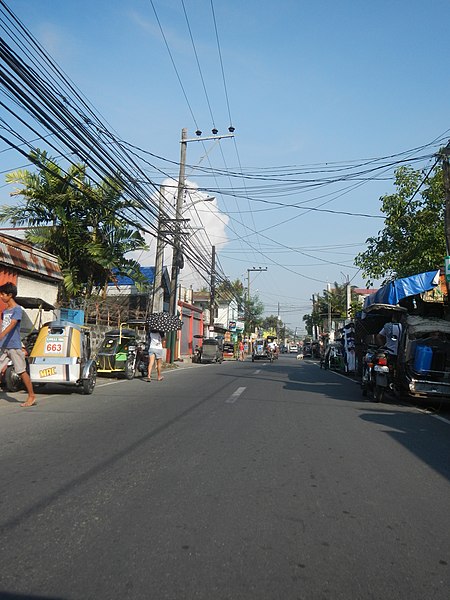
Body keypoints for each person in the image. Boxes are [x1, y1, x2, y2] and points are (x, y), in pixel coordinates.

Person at [0, 282, 35, 407]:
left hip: (14, 345)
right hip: (3, 346)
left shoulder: (17, 309)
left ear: (10, 295)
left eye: (2, 294)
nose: (1, 297)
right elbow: (3, 324)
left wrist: (2, 335)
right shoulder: (5, 311)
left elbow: (12, 324)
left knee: (21, 371)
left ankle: (31, 395)